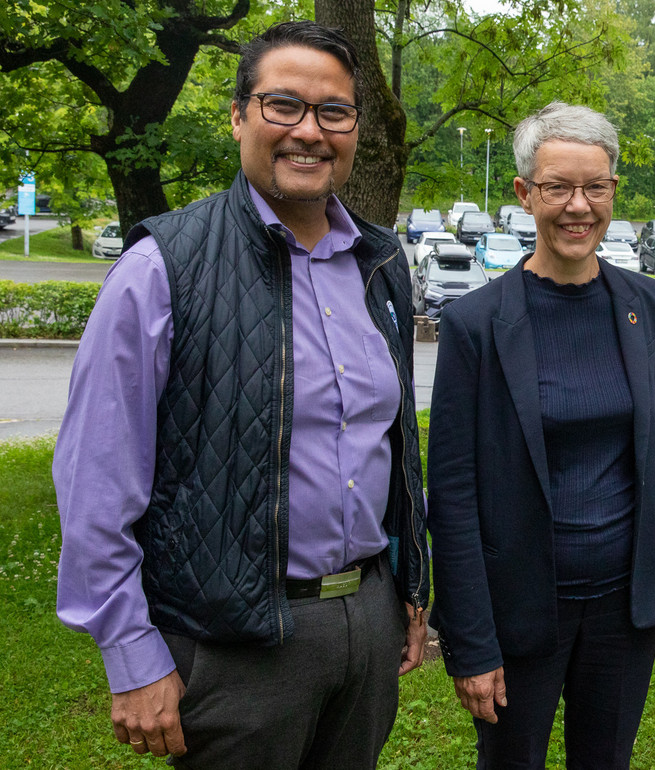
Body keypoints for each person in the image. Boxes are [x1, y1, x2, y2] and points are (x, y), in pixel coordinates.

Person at [54, 21, 429, 768]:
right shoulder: (164, 267)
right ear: (237, 116)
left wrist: (406, 588)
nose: (309, 132)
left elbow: (393, 446)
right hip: (235, 646)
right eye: (283, 105)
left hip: (366, 621)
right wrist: (133, 655)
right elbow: (96, 481)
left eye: (334, 112)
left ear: (355, 127)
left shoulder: (381, 263)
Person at [427, 101, 655, 769]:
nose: (579, 206)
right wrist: (471, 643)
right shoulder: (475, 326)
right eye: (558, 188)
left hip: (624, 606)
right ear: (525, 194)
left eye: (595, 187)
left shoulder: (649, 306)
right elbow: (455, 498)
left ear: (613, 190)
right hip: (521, 608)